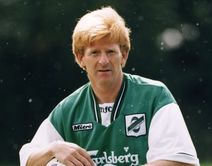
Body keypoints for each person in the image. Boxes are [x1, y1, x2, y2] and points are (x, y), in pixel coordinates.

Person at [19, 6, 200, 166]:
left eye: (111, 52)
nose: (104, 61)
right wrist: (54, 149)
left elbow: (182, 161)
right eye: (95, 53)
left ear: (124, 55)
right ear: (80, 58)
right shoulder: (68, 110)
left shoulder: (154, 96)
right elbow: (28, 161)